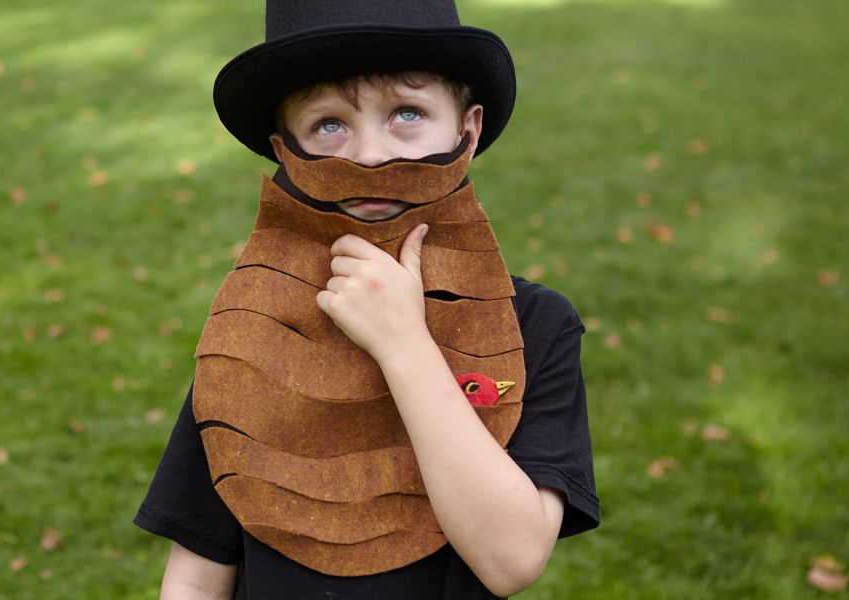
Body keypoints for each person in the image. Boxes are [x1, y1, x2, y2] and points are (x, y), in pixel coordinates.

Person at [134, 2, 599, 598]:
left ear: (467, 129)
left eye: (407, 113)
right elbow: (197, 575)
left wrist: (403, 342)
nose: (371, 155)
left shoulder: (536, 325)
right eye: (329, 125)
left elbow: (510, 560)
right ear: (286, 152)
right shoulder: (254, 326)